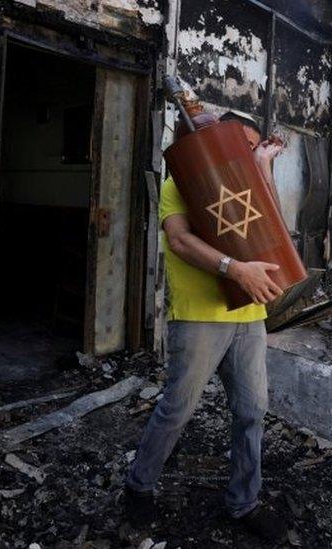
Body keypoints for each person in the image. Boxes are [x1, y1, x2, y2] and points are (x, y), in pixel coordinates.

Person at [122, 111, 287, 543]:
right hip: (199, 316)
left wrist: (266, 166)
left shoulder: (250, 182)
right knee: (177, 409)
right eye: (245, 146)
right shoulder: (179, 184)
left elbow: (272, 229)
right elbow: (178, 240)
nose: (250, 152)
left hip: (249, 316)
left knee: (252, 410)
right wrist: (236, 270)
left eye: (254, 146)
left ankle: (243, 501)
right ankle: (139, 486)